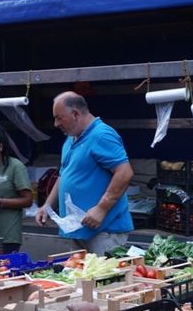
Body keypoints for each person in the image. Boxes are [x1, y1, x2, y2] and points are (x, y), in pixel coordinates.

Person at [34, 91, 133, 256]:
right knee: (79, 273)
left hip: (104, 231)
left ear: (75, 114)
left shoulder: (102, 135)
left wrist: (101, 208)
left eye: (59, 118)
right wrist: (48, 206)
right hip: (79, 230)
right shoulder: (71, 138)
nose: (56, 124)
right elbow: (64, 175)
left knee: (104, 272)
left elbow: (124, 172)